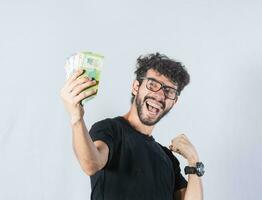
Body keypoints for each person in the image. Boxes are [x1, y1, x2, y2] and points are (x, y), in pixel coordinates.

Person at [60, 52, 204, 200]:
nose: (160, 95)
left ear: (174, 102)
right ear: (136, 87)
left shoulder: (167, 157)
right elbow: (91, 164)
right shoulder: (110, 129)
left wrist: (194, 160)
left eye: (169, 91)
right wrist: (76, 118)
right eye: (153, 85)